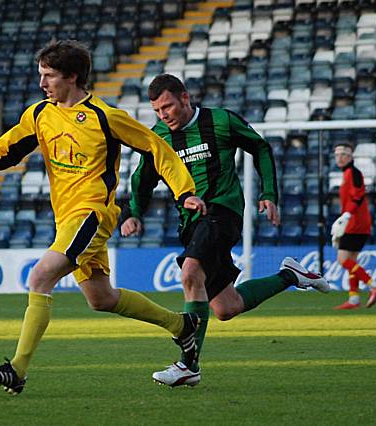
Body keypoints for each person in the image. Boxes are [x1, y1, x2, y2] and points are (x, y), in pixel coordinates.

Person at [0, 40, 206, 395]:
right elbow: (10, 148)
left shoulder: (104, 117)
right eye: (41, 75)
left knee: (40, 277)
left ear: (72, 77)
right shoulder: (40, 113)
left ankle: (17, 369)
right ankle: (182, 326)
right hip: (67, 220)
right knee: (101, 299)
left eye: (49, 76)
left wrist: (184, 191)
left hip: (93, 214)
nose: (42, 83)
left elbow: (157, 147)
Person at [120, 74, 330, 387]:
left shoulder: (220, 121)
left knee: (191, 272)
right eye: (157, 111)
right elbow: (143, 178)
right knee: (225, 307)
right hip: (190, 222)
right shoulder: (159, 135)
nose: (163, 115)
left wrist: (268, 193)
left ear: (185, 98)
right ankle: (291, 276)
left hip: (223, 211)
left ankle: (188, 365)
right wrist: (133, 212)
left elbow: (260, 147)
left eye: (168, 107)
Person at [331, 142, 376, 309]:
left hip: (354, 223)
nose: (339, 158)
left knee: (343, 260)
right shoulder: (348, 173)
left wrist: (347, 214)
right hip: (358, 223)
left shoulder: (353, 173)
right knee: (352, 260)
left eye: (343, 154)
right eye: (337, 155)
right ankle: (354, 299)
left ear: (350, 156)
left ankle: (374, 285)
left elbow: (358, 196)